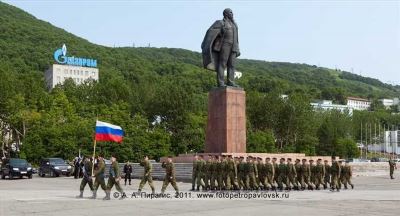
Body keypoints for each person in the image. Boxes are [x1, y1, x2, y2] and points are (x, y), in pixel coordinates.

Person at [201, 8, 240, 87]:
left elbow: (237, 38)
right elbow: (210, 31)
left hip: (234, 46)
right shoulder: (221, 23)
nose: (232, 14)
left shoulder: (234, 25)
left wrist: (238, 48)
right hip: (225, 45)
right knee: (222, 63)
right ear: (226, 14)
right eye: (230, 12)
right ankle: (221, 82)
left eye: (232, 12)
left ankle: (230, 81)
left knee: (232, 65)